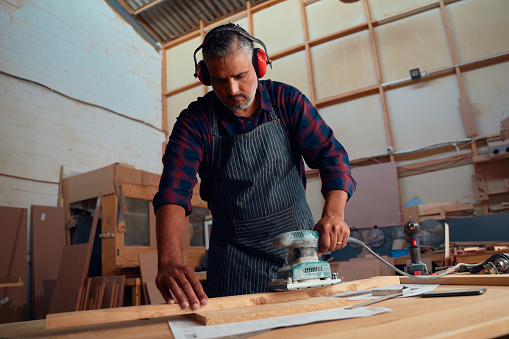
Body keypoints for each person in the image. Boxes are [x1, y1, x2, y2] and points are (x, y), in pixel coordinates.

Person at [153, 23, 356, 310]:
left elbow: (332, 158)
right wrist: (169, 260)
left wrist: (334, 213)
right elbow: (174, 190)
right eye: (220, 80)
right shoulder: (194, 121)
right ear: (205, 75)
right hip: (233, 261)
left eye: (240, 75)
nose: (232, 89)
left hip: (298, 256)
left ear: (259, 64)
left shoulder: (288, 101)